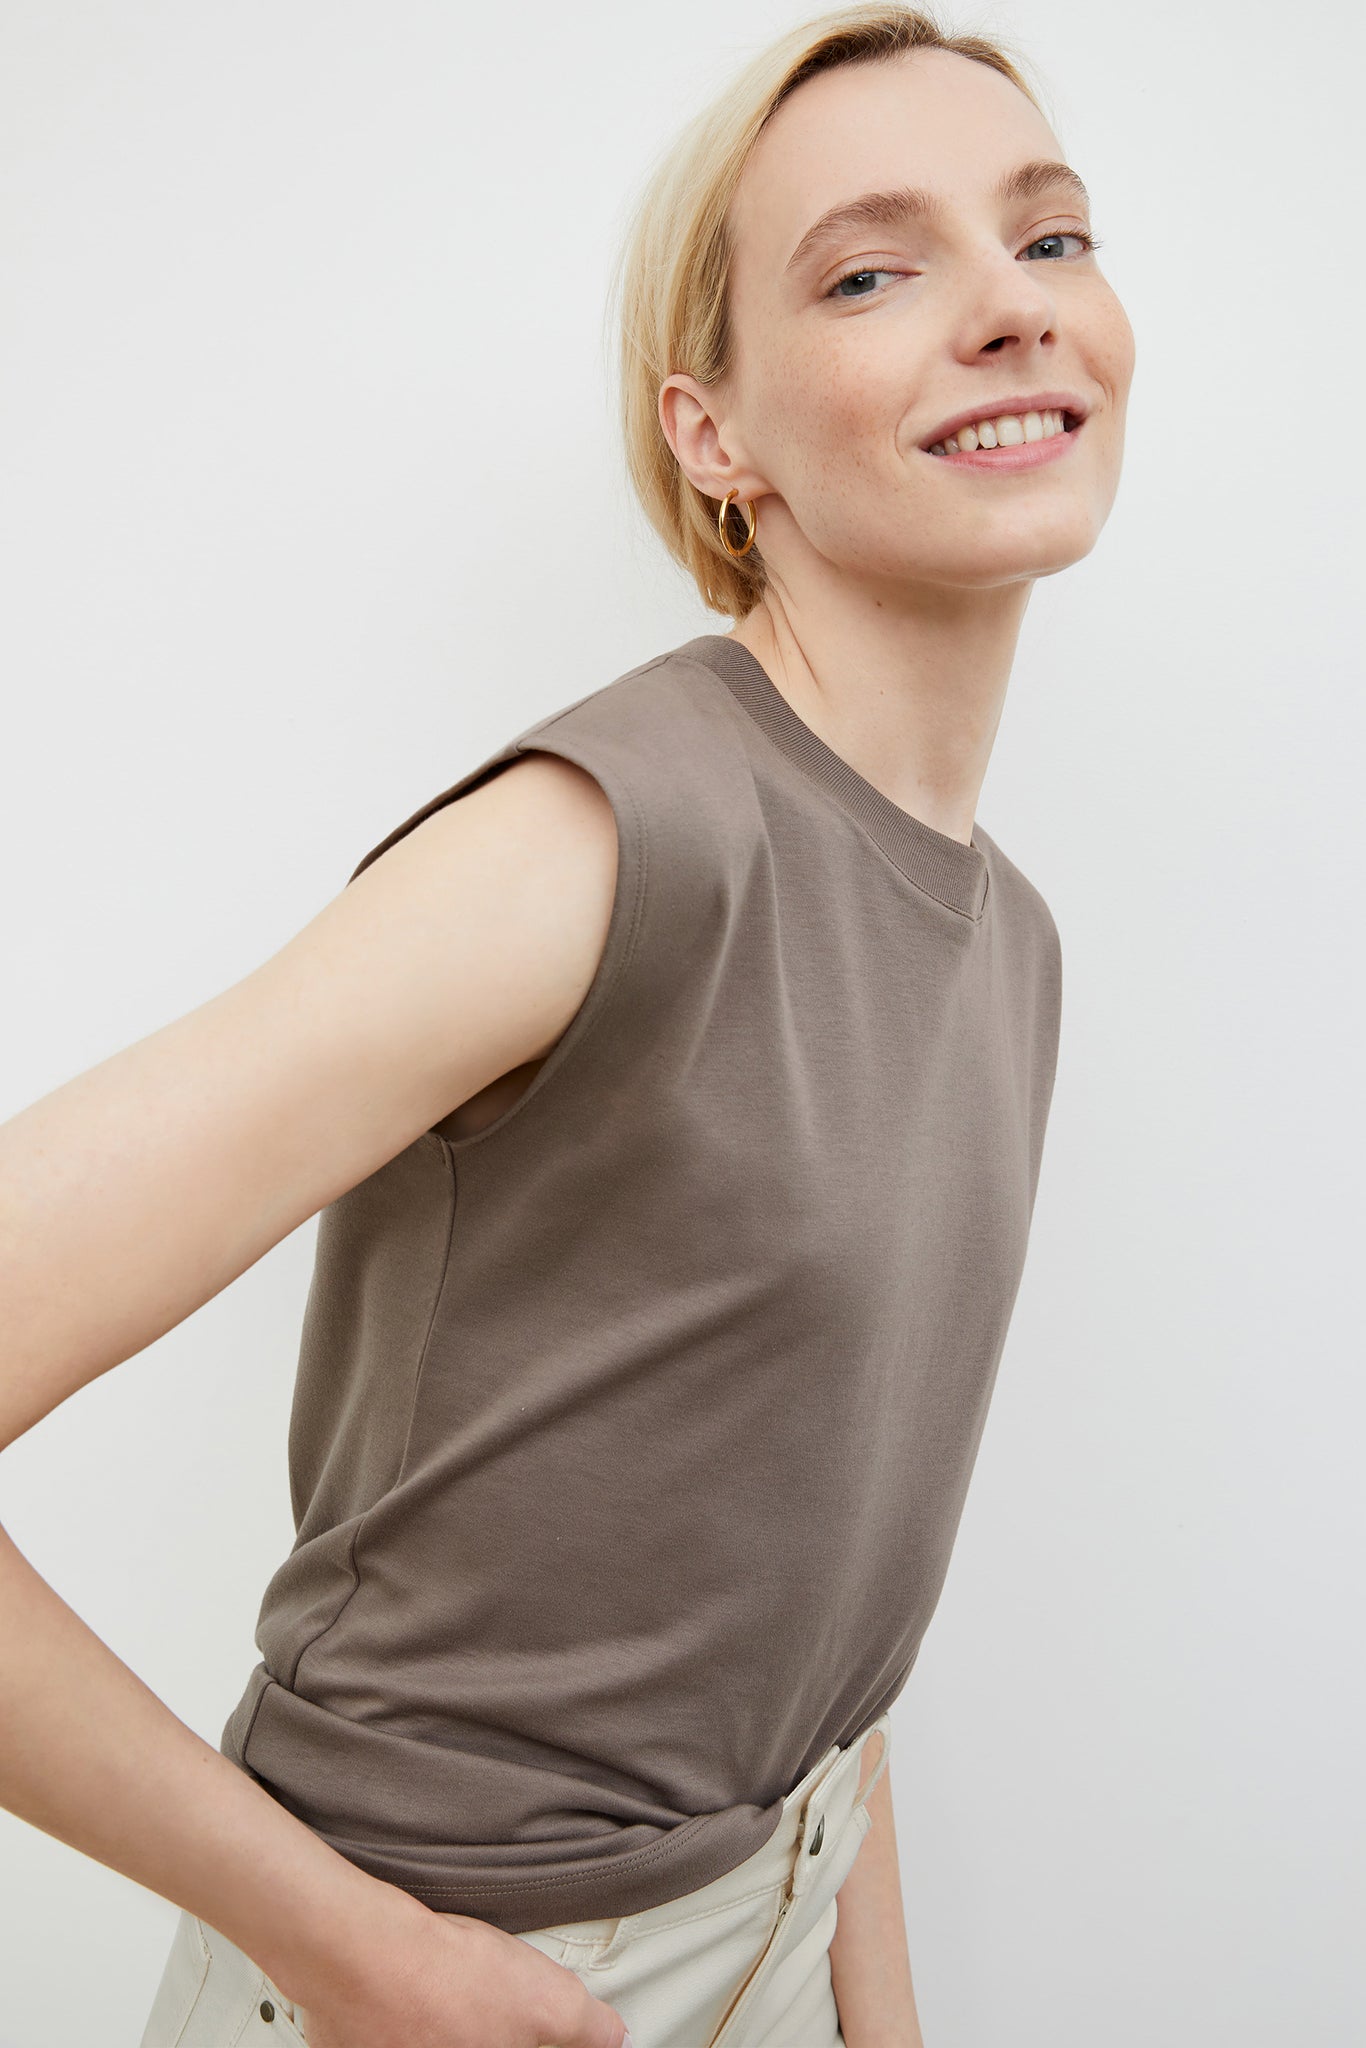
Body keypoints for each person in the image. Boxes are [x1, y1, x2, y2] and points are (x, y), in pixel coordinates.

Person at [0, 6, 1136, 2044]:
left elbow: (819, 1658)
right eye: (874, 269)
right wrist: (352, 1949)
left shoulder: (1010, 941)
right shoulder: (595, 848)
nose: (1007, 312)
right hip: (445, 1983)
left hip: (764, 1940)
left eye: (1048, 239)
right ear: (714, 432)